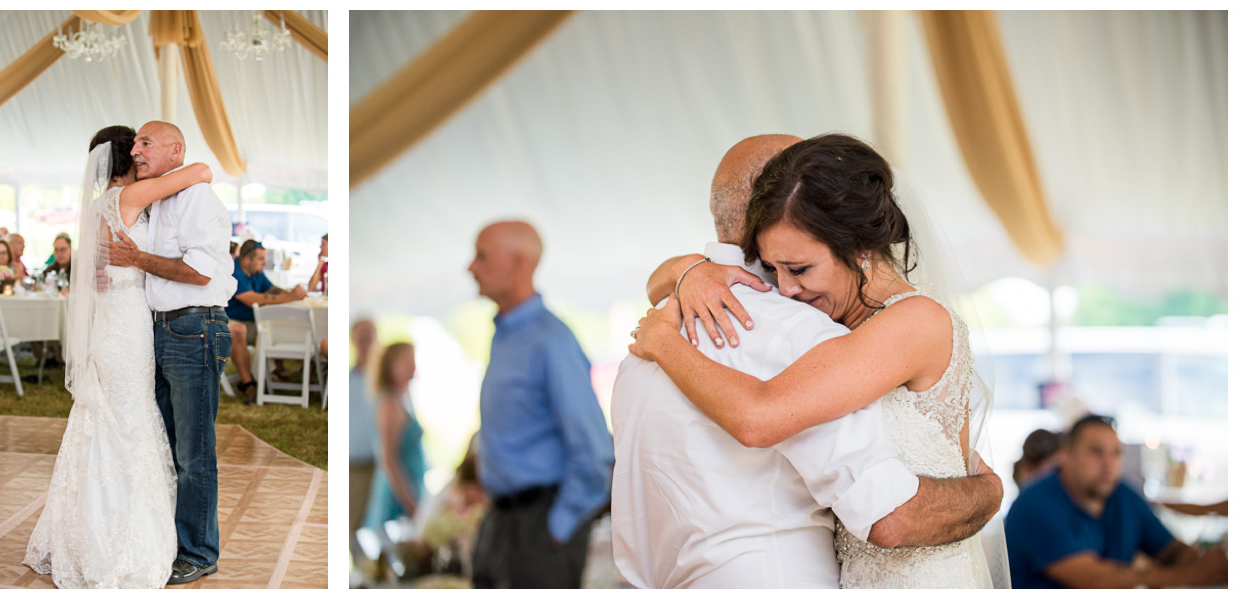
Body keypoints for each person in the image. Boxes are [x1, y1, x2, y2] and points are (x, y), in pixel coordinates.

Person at [613, 134, 1005, 588]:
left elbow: (761, 415)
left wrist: (664, 342)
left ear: (859, 244)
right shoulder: (826, 324)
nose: (786, 289)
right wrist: (685, 269)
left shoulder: (913, 321)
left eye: (798, 270)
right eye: (773, 268)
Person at [23, 125, 214, 588]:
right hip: (128, 328)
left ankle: (86, 530)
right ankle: (127, 537)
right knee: (130, 422)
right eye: (138, 146)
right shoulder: (129, 197)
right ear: (126, 155)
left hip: (111, 326)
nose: (141, 153)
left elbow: (91, 274)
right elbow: (204, 170)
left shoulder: (96, 208)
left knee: (107, 423)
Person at [105, 120, 237, 585]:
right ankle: (172, 541)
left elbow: (201, 272)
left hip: (194, 327)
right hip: (162, 331)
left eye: (146, 143)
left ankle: (200, 552)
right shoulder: (158, 196)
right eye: (135, 143)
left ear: (175, 150)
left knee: (193, 452)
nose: (136, 151)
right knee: (166, 445)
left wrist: (136, 260)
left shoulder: (196, 197)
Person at [467, 221, 615, 588]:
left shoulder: (551, 341)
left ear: (519, 264)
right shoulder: (506, 334)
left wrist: (559, 526)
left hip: (540, 528)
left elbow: (595, 450)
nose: (471, 267)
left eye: (482, 256)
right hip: (501, 521)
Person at [1004, 415, 1227, 588]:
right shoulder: (1032, 504)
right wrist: (1188, 574)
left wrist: (1207, 563)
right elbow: (1094, 580)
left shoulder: (1123, 495)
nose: (1108, 464)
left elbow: (1170, 551)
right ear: (1066, 454)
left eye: (1116, 453)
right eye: (1096, 452)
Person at [225, 239, 307, 399]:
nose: (265, 263)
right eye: (261, 259)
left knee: (277, 324)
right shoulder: (234, 271)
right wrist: (290, 297)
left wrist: (292, 293)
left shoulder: (255, 271)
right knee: (237, 330)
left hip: (250, 320)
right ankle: (248, 384)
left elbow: (271, 289)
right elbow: (251, 298)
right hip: (229, 319)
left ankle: (275, 370)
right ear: (247, 259)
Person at [368, 342, 428, 526]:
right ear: (391, 365)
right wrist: (413, 506)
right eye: (407, 362)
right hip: (398, 496)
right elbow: (388, 459)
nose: (412, 367)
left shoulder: (405, 397)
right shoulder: (389, 404)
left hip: (413, 484)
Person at [349, 319, 380, 557]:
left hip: (382, 463)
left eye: (370, 336)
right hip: (356, 464)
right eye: (362, 337)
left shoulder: (384, 382)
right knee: (352, 523)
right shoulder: (349, 380)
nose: (366, 342)